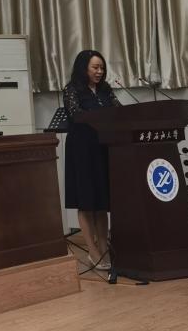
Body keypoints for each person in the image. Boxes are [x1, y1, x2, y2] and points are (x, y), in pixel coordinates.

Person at [63, 49, 120, 271]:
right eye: (95, 67)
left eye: (102, 68)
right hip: (82, 150)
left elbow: (119, 112)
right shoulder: (72, 89)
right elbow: (77, 115)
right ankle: (92, 250)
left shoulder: (105, 89)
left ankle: (104, 247)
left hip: (102, 148)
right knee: (86, 201)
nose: (99, 71)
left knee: (102, 202)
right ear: (83, 68)